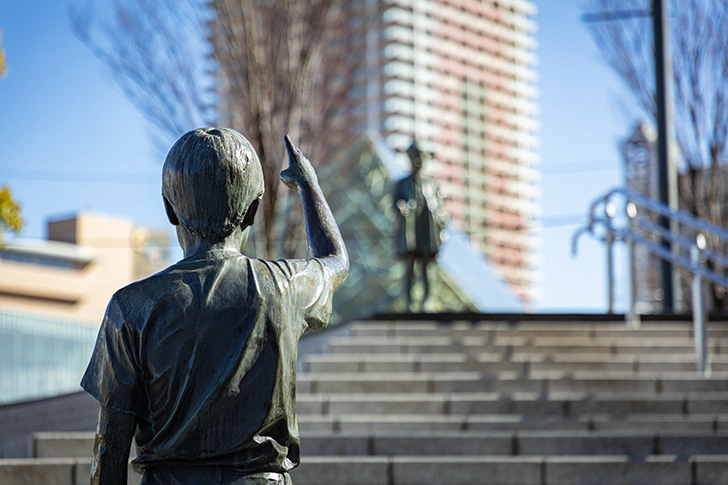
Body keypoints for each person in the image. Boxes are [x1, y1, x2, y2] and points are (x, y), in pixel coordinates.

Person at [80, 128, 348, 485]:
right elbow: (335, 260)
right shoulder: (285, 287)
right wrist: (308, 185)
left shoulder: (129, 307)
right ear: (253, 210)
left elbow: (108, 447)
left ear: (169, 209)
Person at [394, 141, 447, 311]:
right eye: (414, 158)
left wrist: (442, 222)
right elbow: (395, 202)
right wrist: (400, 207)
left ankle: (427, 301)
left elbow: (441, 207)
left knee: (426, 264)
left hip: (428, 228)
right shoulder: (402, 183)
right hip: (411, 228)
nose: (417, 162)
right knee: (410, 264)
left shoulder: (433, 184)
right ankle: (408, 301)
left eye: (420, 158)